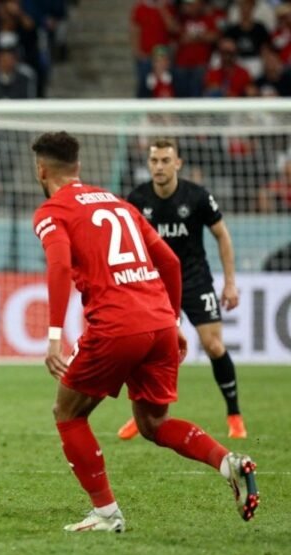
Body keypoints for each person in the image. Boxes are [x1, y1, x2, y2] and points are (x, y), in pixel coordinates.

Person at [30, 131, 258, 533]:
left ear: (41, 170)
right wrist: (173, 322)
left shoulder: (52, 211)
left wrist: (52, 337)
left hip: (116, 325)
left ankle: (106, 513)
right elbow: (170, 263)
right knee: (153, 423)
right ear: (78, 167)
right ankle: (228, 462)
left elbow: (60, 266)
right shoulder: (118, 202)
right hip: (158, 322)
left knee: (67, 413)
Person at [118, 139, 247, 440]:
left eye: (165, 160)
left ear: (178, 163)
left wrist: (230, 282)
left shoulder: (197, 196)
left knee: (213, 345)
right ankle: (142, 415)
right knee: (145, 353)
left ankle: (234, 415)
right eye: (154, 161)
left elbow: (222, 235)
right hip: (155, 285)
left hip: (194, 280)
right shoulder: (137, 199)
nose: (159, 167)